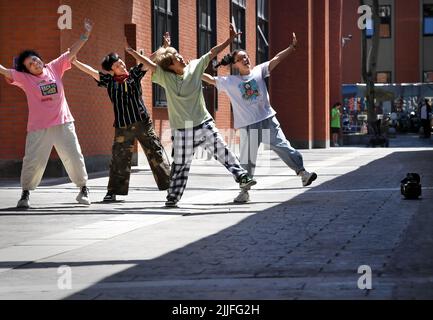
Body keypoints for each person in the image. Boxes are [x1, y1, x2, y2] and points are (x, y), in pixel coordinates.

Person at [126, 24, 257, 207]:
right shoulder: (165, 76)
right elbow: (149, 64)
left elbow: (212, 52)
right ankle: (173, 197)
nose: (181, 57)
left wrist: (229, 40)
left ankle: (242, 176)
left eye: (179, 55)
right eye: (177, 58)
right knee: (180, 166)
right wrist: (137, 52)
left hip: (203, 123)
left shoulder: (195, 66)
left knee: (222, 150)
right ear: (171, 65)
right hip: (181, 130)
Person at [202, 32, 317, 203]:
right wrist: (191, 71)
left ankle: (303, 173)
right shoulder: (231, 81)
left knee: (283, 146)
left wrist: (291, 48)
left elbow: (276, 59)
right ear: (235, 64)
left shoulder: (259, 71)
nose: (246, 60)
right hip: (248, 125)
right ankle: (244, 192)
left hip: (268, 119)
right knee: (247, 161)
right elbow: (210, 79)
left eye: (246, 56)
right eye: (241, 59)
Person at [0, 19, 94, 209]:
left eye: (35, 59)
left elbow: (71, 52)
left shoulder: (54, 68)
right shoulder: (24, 78)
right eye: (29, 64)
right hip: (38, 127)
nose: (34, 63)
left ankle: (83, 189)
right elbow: (3, 71)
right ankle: (25, 194)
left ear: (40, 59)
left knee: (74, 155)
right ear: (26, 69)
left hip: (63, 122)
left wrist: (85, 34)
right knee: (33, 160)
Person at [71, 36, 172, 202]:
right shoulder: (108, 81)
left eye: (122, 63)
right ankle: (113, 191)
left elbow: (149, 60)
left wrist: (163, 47)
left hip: (142, 123)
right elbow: (91, 71)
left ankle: (170, 188)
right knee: (119, 159)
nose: (122, 65)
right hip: (122, 127)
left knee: (156, 154)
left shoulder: (134, 75)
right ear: (112, 70)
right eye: (118, 65)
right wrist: (75, 62)